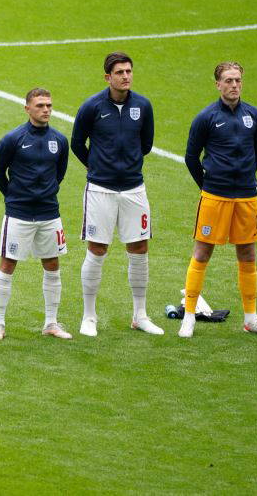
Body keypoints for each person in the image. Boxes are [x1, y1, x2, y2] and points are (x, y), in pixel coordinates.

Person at [180, 62, 257, 338]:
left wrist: (243, 176)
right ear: (217, 84)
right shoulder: (206, 117)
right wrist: (208, 184)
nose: (234, 85)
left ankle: (251, 318)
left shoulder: (254, 116)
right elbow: (191, 157)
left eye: (237, 80)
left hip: (246, 196)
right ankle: (189, 316)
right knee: (202, 252)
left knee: (247, 254)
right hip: (214, 197)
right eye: (228, 81)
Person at [70, 52, 162, 336]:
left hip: (135, 188)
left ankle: (140, 314)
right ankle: (88, 316)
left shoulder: (143, 106)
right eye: (120, 72)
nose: (126, 76)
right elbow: (77, 144)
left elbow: (145, 144)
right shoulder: (92, 107)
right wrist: (99, 166)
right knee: (98, 249)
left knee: (139, 248)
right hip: (101, 189)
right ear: (107, 77)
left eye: (129, 71)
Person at [0, 88, 73, 341]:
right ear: (27, 108)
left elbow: (60, 173)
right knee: (7, 265)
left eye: (48, 105)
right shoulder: (12, 139)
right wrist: (13, 196)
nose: (46, 109)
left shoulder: (59, 140)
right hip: (19, 214)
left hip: (49, 213)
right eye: (40, 105)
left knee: (52, 265)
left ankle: (51, 322)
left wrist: (46, 193)